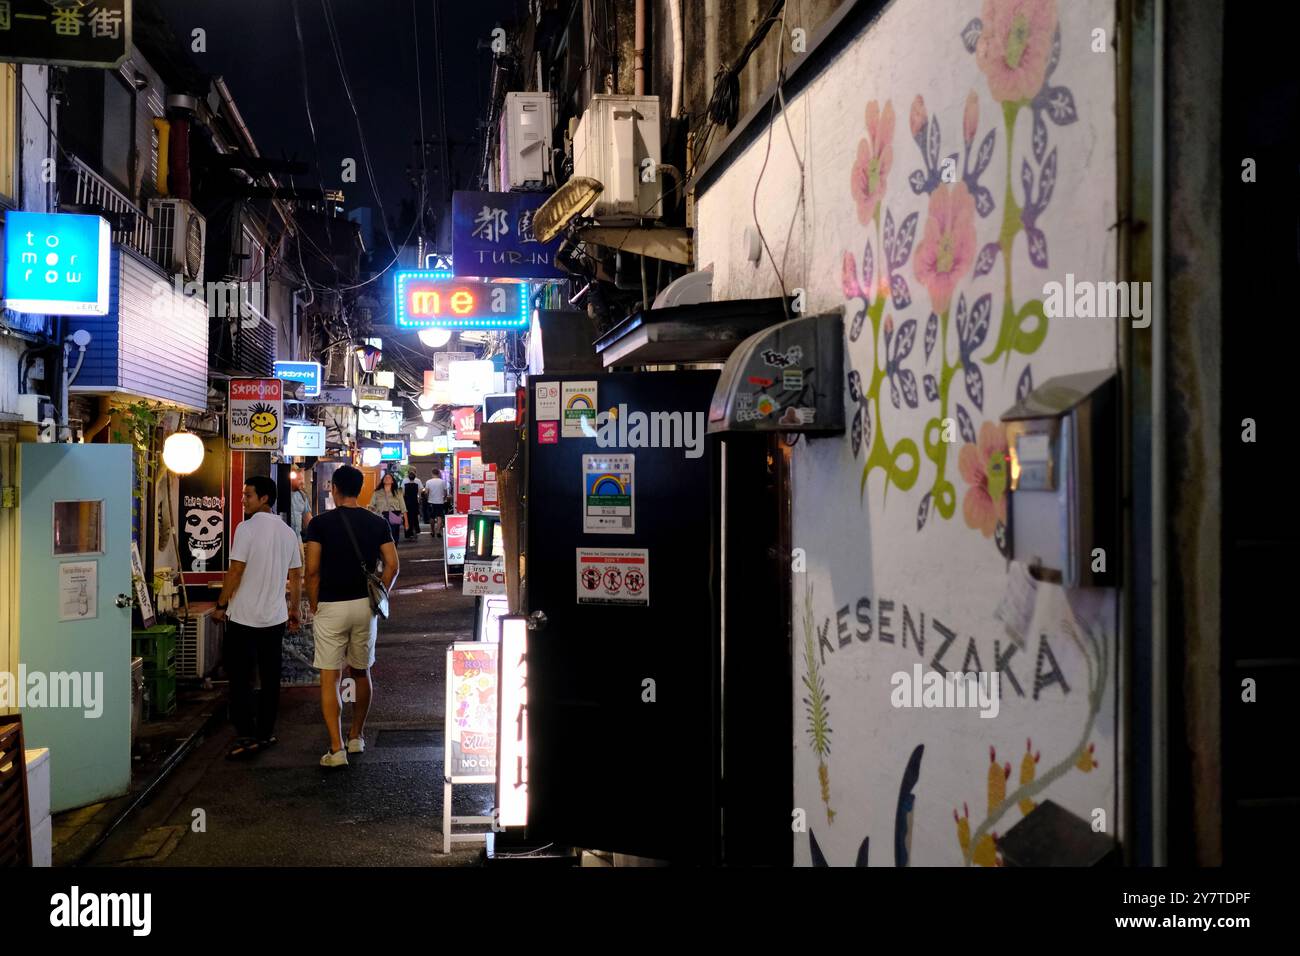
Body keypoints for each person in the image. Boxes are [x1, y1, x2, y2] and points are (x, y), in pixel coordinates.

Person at [305, 465, 399, 768]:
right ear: (360, 489)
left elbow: (312, 571)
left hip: (331, 605)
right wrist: (380, 593)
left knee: (330, 676)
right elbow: (392, 565)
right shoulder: (376, 522)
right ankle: (357, 736)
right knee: (361, 671)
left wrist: (314, 604)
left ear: (334, 488)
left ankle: (336, 748)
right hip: (363, 605)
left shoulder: (319, 524)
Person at [212, 475, 303, 760]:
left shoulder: (246, 529)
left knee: (241, 678)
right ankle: (265, 731)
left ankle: (246, 733)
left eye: (248, 495)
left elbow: (236, 570)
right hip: (274, 619)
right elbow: (296, 576)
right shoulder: (288, 532)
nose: (243, 499)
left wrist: (220, 603)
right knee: (270, 677)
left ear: (264, 498)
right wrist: (294, 610)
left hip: (243, 619)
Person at [368, 471, 405, 544]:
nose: (387, 479)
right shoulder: (377, 492)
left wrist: (406, 522)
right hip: (381, 516)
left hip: (394, 515)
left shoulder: (398, 492)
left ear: (392, 481)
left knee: (393, 537)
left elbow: (403, 507)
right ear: (383, 480)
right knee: (382, 536)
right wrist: (370, 516)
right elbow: (371, 505)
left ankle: (393, 552)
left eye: (389, 478)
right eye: (385, 477)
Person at [424, 467, 449, 537]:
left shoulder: (428, 482)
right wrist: (443, 498)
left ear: (432, 473)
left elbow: (426, 492)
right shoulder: (442, 482)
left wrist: (427, 498)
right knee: (439, 517)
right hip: (440, 502)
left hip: (431, 502)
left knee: (432, 517)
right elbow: (445, 492)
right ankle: (438, 531)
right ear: (438, 473)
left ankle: (432, 531)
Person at [402, 471, 422, 540]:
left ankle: (408, 533)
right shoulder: (416, 485)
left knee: (407, 518)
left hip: (407, 503)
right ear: (414, 477)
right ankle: (415, 531)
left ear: (408, 477)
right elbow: (419, 495)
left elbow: (403, 494)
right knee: (415, 518)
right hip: (415, 503)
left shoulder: (405, 485)